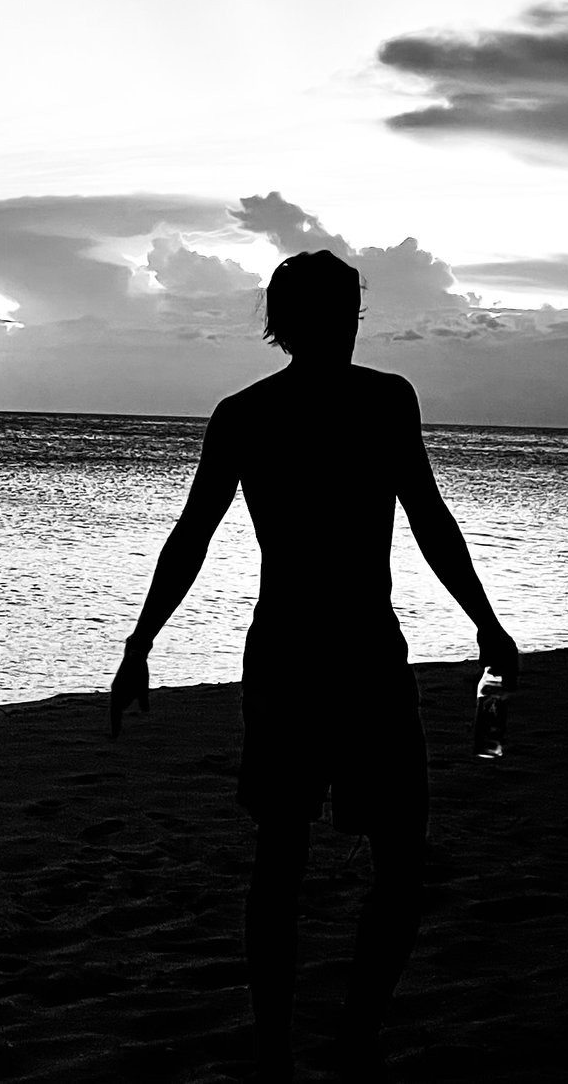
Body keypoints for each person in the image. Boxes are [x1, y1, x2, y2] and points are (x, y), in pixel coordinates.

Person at [109, 248, 522, 1080]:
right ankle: (311, 1046)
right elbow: (193, 536)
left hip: (319, 656)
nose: (345, 323)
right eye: (337, 309)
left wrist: (487, 619)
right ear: (312, 319)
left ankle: (319, 1045)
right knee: (339, 859)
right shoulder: (348, 404)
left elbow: (428, 520)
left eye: (347, 308)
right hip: (342, 656)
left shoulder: (272, 411)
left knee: (340, 859)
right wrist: (139, 641)